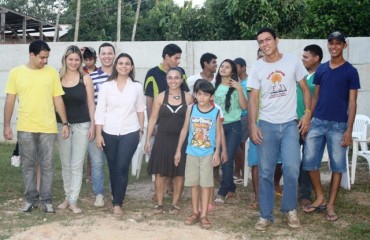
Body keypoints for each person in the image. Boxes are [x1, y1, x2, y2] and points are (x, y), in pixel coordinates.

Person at [248, 27, 311, 230]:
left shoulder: (292, 61)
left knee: (292, 168)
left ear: (277, 40)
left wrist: (308, 112)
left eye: (268, 39)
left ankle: (290, 209)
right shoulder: (257, 68)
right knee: (265, 172)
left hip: (291, 124)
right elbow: (253, 99)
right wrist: (252, 125)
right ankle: (265, 215)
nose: (264, 44)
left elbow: (305, 88)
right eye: (260, 41)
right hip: (266, 125)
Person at [3, 40, 69, 213]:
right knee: (28, 165)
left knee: (47, 165)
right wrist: (7, 125)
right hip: (25, 127)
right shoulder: (16, 73)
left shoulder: (52, 74)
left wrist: (65, 123)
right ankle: (30, 200)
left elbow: (58, 99)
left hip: (48, 127)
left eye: (47, 58)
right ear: (31, 54)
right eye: (42, 58)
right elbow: (10, 100)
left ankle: (47, 200)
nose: (45, 61)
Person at [303, 31, 360, 221]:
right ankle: (320, 197)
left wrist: (349, 130)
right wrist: (308, 118)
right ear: (328, 45)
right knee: (309, 162)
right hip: (317, 122)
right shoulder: (321, 69)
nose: (334, 46)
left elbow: (352, 103)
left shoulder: (351, 71)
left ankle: (331, 205)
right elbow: (315, 96)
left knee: (337, 166)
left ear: (344, 46)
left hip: (338, 125)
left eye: (338, 43)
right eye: (331, 43)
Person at [95, 53, 145, 217]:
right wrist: (99, 134)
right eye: (121, 63)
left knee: (122, 166)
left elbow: (140, 108)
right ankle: (116, 193)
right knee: (113, 167)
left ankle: (117, 203)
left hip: (130, 132)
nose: (124, 66)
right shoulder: (106, 86)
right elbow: (100, 110)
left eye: (127, 64)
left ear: (131, 67)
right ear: (116, 66)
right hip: (108, 132)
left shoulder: (136, 86)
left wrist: (140, 130)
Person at [145, 67, 194, 214]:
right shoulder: (160, 97)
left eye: (176, 77)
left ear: (181, 79)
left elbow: (192, 120)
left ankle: (175, 204)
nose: (173, 80)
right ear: (166, 80)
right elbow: (153, 118)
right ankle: (159, 204)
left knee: (180, 173)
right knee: (160, 172)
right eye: (170, 77)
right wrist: (147, 139)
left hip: (182, 140)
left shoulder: (189, 97)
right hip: (162, 139)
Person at [175, 79, 222, 229]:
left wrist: (217, 152)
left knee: (206, 185)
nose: (202, 97)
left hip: (208, 153)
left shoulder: (216, 112)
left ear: (211, 97)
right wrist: (178, 150)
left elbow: (219, 134)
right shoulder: (191, 109)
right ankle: (195, 212)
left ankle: (204, 215)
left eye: (205, 95)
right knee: (194, 184)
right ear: (195, 94)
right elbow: (184, 130)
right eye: (199, 94)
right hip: (192, 152)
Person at [144, 44, 188, 198]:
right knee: (161, 159)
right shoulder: (152, 73)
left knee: (176, 156)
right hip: (160, 122)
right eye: (176, 58)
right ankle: (160, 193)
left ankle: (171, 187)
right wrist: (152, 122)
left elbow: (187, 97)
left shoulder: (182, 74)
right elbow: (149, 99)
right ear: (167, 56)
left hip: (178, 125)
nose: (178, 61)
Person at [56, 45, 95, 214]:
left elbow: (91, 104)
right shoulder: (57, 78)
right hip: (62, 126)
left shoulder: (85, 78)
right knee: (65, 164)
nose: (73, 62)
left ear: (80, 61)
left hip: (82, 125)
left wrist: (93, 124)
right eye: (70, 59)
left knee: (77, 164)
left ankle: (73, 200)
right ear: (65, 59)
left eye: (77, 59)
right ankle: (67, 196)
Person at [213, 59, 248, 204]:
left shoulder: (237, 87)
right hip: (218, 127)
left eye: (227, 67)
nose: (223, 68)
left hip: (233, 125)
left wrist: (239, 89)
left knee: (226, 158)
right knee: (221, 158)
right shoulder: (214, 87)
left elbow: (244, 106)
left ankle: (222, 191)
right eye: (222, 66)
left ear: (232, 71)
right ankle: (231, 188)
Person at [88, 43, 116, 207]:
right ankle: (99, 194)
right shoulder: (91, 77)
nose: (107, 56)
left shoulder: (120, 75)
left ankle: (115, 192)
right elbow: (90, 103)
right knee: (97, 162)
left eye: (109, 53)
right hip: (97, 124)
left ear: (114, 55)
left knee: (114, 162)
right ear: (99, 56)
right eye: (103, 53)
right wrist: (93, 125)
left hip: (115, 126)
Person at [298, 44, 323, 207]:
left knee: (308, 159)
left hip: (312, 123)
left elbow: (319, 100)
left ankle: (305, 193)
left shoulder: (322, 75)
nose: (303, 59)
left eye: (306, 57)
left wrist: (309, 119)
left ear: (316, 58)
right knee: (293, 158)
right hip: (295, 122)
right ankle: (297, 189)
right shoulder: (304, 75)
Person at [81, 46, 97, 184]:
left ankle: (89, 174)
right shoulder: (80, 72)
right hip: (81, 111)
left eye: (90, 59)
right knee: (81, 146)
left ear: (95, 59)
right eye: (85, 59)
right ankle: (79, 171)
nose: (88, 62)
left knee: (91, 145)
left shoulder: (100, 72)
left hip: (95, 111)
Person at [233, 57, 248, 183]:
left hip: (245, 115)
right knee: (237, 144)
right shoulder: (235, 82)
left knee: (241, 143)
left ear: (243, 68)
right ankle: (238, 171)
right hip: (236, 116)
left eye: (236, 66)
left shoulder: (249, 82)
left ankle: (241, 172)